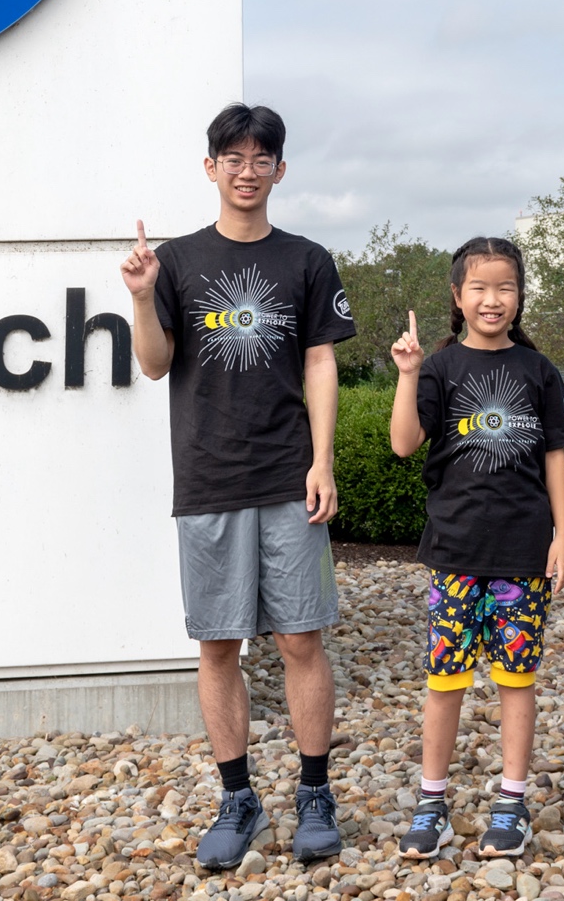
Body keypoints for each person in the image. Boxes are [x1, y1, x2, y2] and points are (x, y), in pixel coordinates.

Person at [121, 103, 358, 870]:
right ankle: (237, 797)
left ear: (280, 170)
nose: (247, 169)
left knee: (299, 637)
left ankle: (314, 792)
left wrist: (323, 460)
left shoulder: (308, 259)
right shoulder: (180, 262)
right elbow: (154, 362)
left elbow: (321, 362)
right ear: (211, 167)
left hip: (290, 474)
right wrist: (139, 294)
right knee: (219, 642)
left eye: (262, 157)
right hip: (209, 475)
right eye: (234, 156)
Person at [384, 237, 564, 863]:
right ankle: (432, 804)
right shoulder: (440, 369)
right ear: (457, 296)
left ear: (520, 295)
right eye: (480, 288)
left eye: (506, 287)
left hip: (523, 554)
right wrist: (408, 374)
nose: (493, 300)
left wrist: (563, 536)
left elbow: (554, 457)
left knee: (515, 680)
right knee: (446, 680)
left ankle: (511, 803)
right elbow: (404, 444)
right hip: (455, 552)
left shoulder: (538, 370)